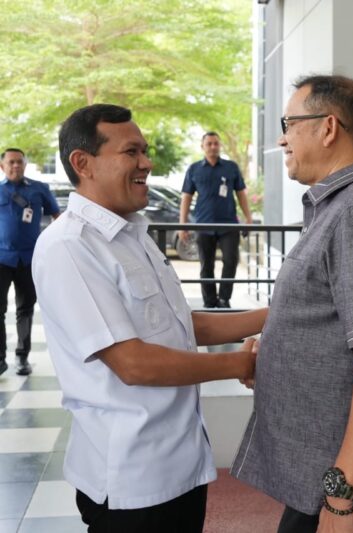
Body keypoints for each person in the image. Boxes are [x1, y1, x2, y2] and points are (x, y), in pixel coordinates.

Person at [32, 104, 267, 533]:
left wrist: (271, 316)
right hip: (132, 481)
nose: (147, 163)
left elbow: (180, 323)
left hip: (181, 465)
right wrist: (239, 364)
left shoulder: (131, 233)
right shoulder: (69, 247)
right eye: (132, 152)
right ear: (83, 163)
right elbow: (133, 362)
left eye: (145, 151)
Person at [231, 75, 353, 533]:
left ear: (328, 128)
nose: (282, 137)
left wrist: (341, 498)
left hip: (351, 483)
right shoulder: (341, 207)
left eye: (289, 123)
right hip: (332, 469)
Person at [0, 148, 59, 376]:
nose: (16, 166)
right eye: (11, 162)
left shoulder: (39, 189)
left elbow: (57, 216)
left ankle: (22, 357)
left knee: (25, 309)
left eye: (20, 162)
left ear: (25, 164)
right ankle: (0, 359)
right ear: (3, 166)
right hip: (2, 259)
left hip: (29, 258)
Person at [179, 132, 252, 308]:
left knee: (230, 261)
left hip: (228, 225)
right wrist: (183, 224)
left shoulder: (231, 167)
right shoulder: (194, 169)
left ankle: (224, 299)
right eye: (209, 144)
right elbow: (186, 197)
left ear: (220, 146)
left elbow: (241, 194)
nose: (213, 147)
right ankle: (210, 302)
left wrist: (248, 218)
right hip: (204, 225)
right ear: (202, 146)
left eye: (216, 144)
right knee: (206, 265)